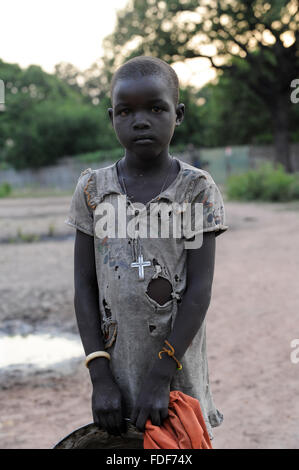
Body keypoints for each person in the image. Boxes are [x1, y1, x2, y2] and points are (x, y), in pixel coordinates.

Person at [65, 56, 229, 442]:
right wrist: (99, 377)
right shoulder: (93, 190)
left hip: (177, 376)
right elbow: (84, 288)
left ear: (179, 114)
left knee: (177, 446)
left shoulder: (195, 191)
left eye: (156, 108)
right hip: (117, 380)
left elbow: (198, 292)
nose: (140, 120)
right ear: (112, 117)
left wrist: (162, 375)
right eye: (126, 111)